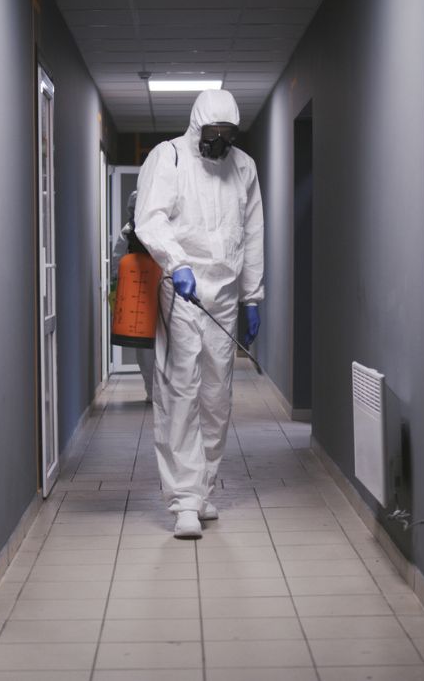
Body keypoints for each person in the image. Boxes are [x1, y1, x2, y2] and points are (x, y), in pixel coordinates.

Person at [134, 89, 264, 538]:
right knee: (180, 388)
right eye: (213, 133)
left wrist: (252, 297)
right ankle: (184, 500)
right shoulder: (168, 158)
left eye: (228, 134)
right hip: (182, 288)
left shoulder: (244, 167)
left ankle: (204, 488)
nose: (220, 143)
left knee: (216, 393)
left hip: (225, 292)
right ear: (197, 127)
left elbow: (252, 233)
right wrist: (177, 263)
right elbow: (150, 217)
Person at [111, 190, 155, 403]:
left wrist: (116, 293)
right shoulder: (130, 232)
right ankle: (155, 392)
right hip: (143, 295)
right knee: (148, 347)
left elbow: (116, 263)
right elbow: (118, 264)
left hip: (145, 295)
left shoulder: (128, 232)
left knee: (147, 349)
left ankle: (154, 392)